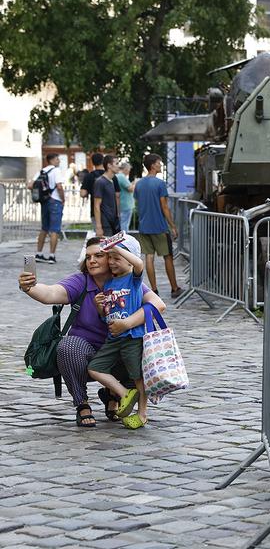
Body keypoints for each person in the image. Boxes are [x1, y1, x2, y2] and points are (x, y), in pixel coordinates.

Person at [18, 237, 165, 427]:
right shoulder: (81, 281)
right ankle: (82, 404)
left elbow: (158, 305)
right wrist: (29, 286)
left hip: (121, 350)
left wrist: (127, 323)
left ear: (113, 257)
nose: (92, 260)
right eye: (88, 257)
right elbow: (51, 293)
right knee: (68, 347)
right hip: (86, 354)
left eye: (98, 255)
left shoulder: (127, 281)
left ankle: (113, 395)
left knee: (139, 350)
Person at [88, 235, 150, 429]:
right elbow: (106, 315)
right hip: (113, 338)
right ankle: (124, 393)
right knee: (94, 368)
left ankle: (142, 414)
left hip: (132, 338)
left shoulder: (134, 279)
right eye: (110, 258)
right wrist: (99, 307)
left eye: (117, 258)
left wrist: (116, 247)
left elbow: (139, 263)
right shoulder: (109, 284)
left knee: (137, 376)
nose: (112, 262)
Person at [135, 154, 183, 298]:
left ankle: (154, 290)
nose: (161, 165)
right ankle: (174, 288)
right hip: (159, 227)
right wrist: (173, 225)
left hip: (144, 226)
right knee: (168, 257)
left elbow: (139, 204)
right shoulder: (160, 184)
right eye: (159, 163)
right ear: (153, 165)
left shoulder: (139, 184)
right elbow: (164, 207)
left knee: (149, 257)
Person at [27, 153, 65, 264]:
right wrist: (63, 199)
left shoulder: (41, 171)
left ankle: (39, 253)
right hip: (55, 201)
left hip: (44, 202)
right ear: (52, 160)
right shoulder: (56, 171)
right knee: (55, 229)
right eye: (57, 159)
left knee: (44, 228)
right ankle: (52, 256)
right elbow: (59, 186)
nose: (59, 161)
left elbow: (30, 185)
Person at [81, 153, 120, 223]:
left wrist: (90, 191)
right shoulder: (111, 176)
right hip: (111, 212)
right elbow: (117, 195)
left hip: (95, 211)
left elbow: (83, 193)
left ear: (92, 163)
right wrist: (117, 212)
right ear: (103, 161)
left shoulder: (89, 176)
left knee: (99, 232)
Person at [93, 155, 121, 236]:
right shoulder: (100, 182)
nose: (118, 166)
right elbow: (96, 205)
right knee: (106, 248)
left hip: (113, 222)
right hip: (105, 223)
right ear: (109, 165)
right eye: (116, 163)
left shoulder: (111, 181)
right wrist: (98, 226)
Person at [115, 161, 136, 231]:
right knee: (124, 225)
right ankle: (124, 239)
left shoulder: (118, 176)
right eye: (129, 170)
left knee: (123, 223)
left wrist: (132, 184)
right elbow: (130, 189)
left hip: (122, 204)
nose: (129, 172)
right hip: (126, 205)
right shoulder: (121, 176)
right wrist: (136, 183)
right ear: (126, 169)